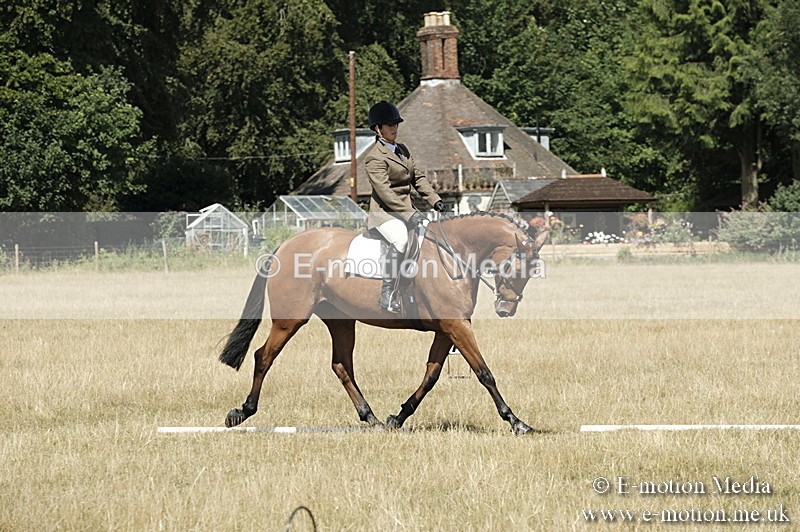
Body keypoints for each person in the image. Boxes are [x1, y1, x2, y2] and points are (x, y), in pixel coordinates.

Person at [364, 100, 448, 312]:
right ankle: (388, 294)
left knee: (431, 237)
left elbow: (417, 178)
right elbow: (385, 192)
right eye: (389, 125)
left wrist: (434, 199)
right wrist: (409, 214)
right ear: (377, 128)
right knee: (401, 240)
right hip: (385, 214)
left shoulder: (402, 150)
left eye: (396, 124)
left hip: (407, 211)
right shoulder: (374, 157)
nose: (394, 128)